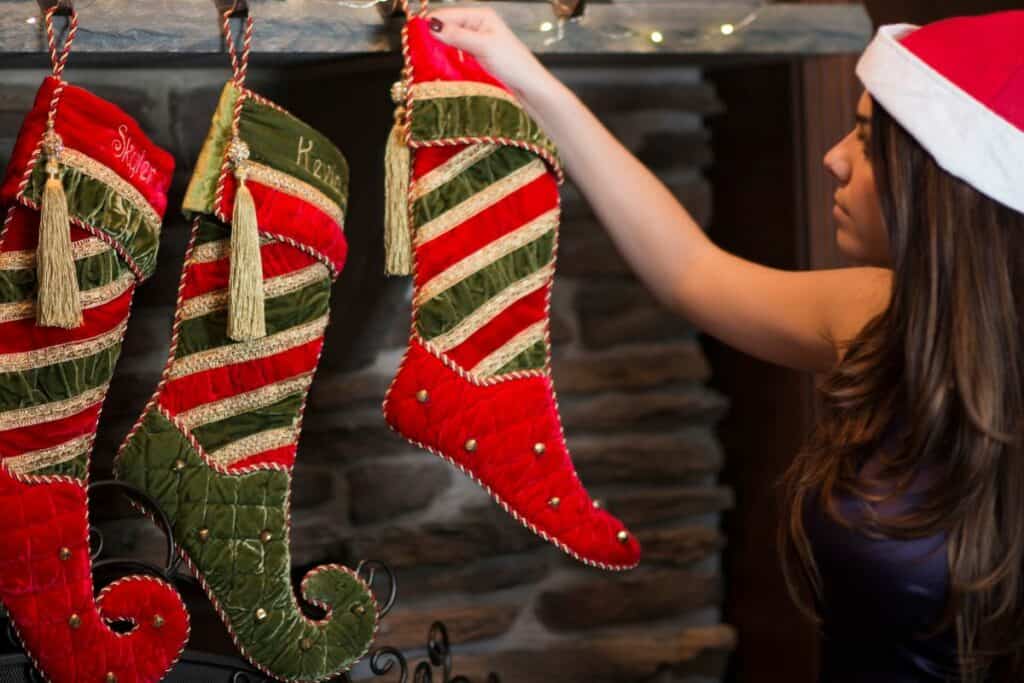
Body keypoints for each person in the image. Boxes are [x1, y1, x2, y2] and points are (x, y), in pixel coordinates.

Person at [421, 8, 1024, 682]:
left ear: (937, 179)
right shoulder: (877, 316)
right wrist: (525, 74)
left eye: (862, 137)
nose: (835, 157)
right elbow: (691, 272)